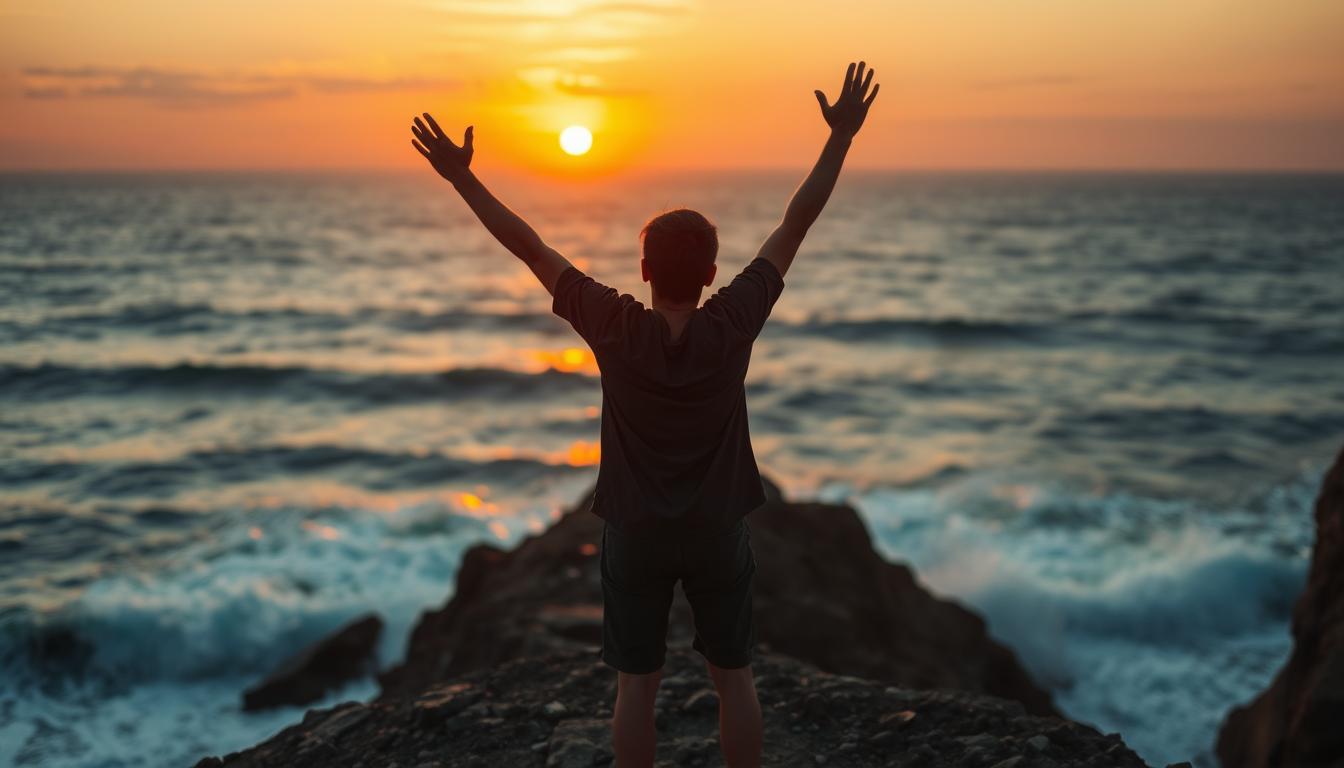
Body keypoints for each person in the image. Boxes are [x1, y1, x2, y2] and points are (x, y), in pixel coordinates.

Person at [411, 60, 878, 768]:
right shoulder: (732, 322)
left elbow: (529, 245)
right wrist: (840, 139)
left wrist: (462, 178)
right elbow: (795, 222)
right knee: (734, 679)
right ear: (713, 273)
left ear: (646, 271)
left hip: (636, 529)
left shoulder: (615, 326)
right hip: (718, 527)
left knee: (636, 686)